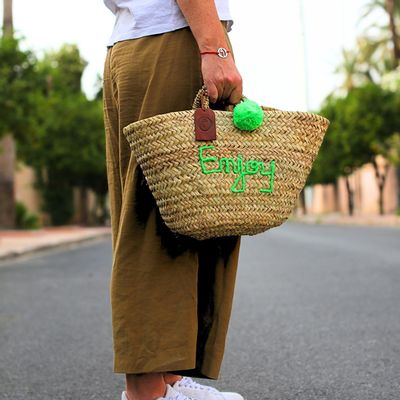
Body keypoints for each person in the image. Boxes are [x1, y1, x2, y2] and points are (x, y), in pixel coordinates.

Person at [102, 1, 243, 399]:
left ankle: (167, 382)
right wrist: (215, 48)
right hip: (172, 37)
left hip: (141, 42)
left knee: (180, 217)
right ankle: (147, 393)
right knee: (160, 225)